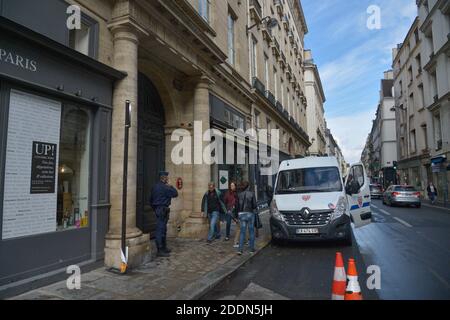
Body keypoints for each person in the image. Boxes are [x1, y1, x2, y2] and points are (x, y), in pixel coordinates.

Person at [150, 171, 178, 257]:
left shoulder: (155, 186)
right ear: (165, 178)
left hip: (158, 209)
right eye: (167, 178)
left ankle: (164, 248)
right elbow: (175, 194)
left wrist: (155, 208)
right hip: (163, 209)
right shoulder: (165, 187)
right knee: (161, 229)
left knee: (162, 229)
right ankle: (160, 249)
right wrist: (171, 185)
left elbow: (150, 199)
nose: (168, 179)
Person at [237, 181, 257, 255]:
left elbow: (237, 206)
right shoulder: (251, 194)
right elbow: (254, 205)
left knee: (242, 232)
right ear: (248, 187)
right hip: (249, 213)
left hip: (242, 214)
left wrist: (237, 215)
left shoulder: (239, 195)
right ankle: (251, 249)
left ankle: (240, 250)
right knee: (251, 231)